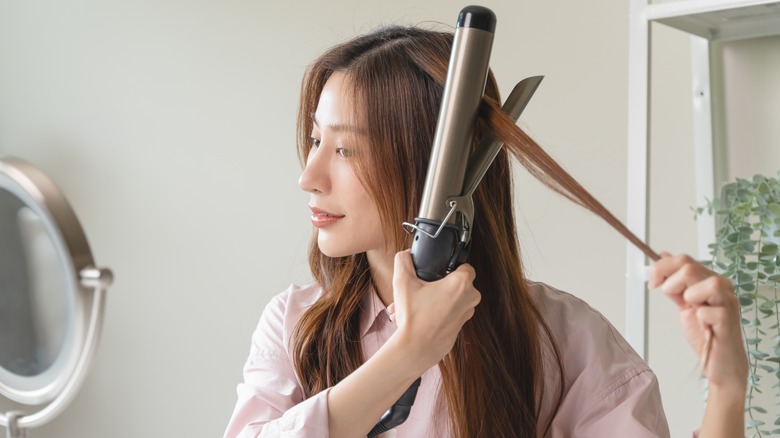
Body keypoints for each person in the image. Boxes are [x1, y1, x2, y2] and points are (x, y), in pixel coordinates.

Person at [224, 26, 747, 437]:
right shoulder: (295, 326)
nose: (307, 178)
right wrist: (408, 354)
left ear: (439, 166)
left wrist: (726, 388)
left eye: (344, 149)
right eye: (315, 140)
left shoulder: (565, 341)